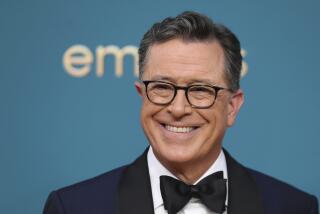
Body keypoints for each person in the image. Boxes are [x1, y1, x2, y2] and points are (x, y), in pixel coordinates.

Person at [43, 11, 319, 214]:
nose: (177, 109)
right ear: (142, 96)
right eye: (162, 87)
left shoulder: (294, 207)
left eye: (200, 90)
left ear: (232, 107)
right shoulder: (73, 207)